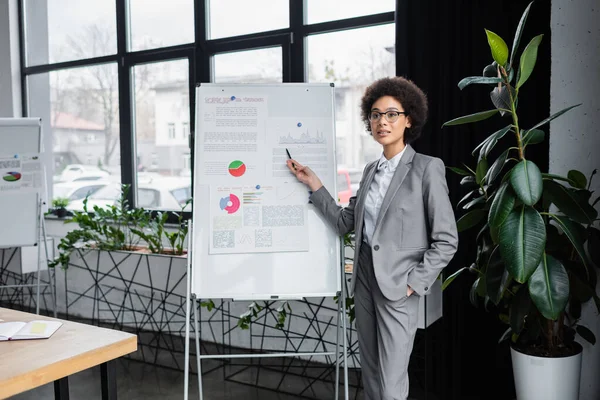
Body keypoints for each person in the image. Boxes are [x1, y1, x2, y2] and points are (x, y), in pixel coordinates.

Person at [286, 76, 458, 400]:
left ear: (408, 119)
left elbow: (447, 239)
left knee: (392, 380)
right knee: (371, 371)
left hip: (398, 284)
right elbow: (344, 222)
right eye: (376, 114)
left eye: (392, 114)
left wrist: (414, 282)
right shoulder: (369, 171)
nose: (383, 121)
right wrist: (315, 184)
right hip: (363, 276)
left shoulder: (426, 169)